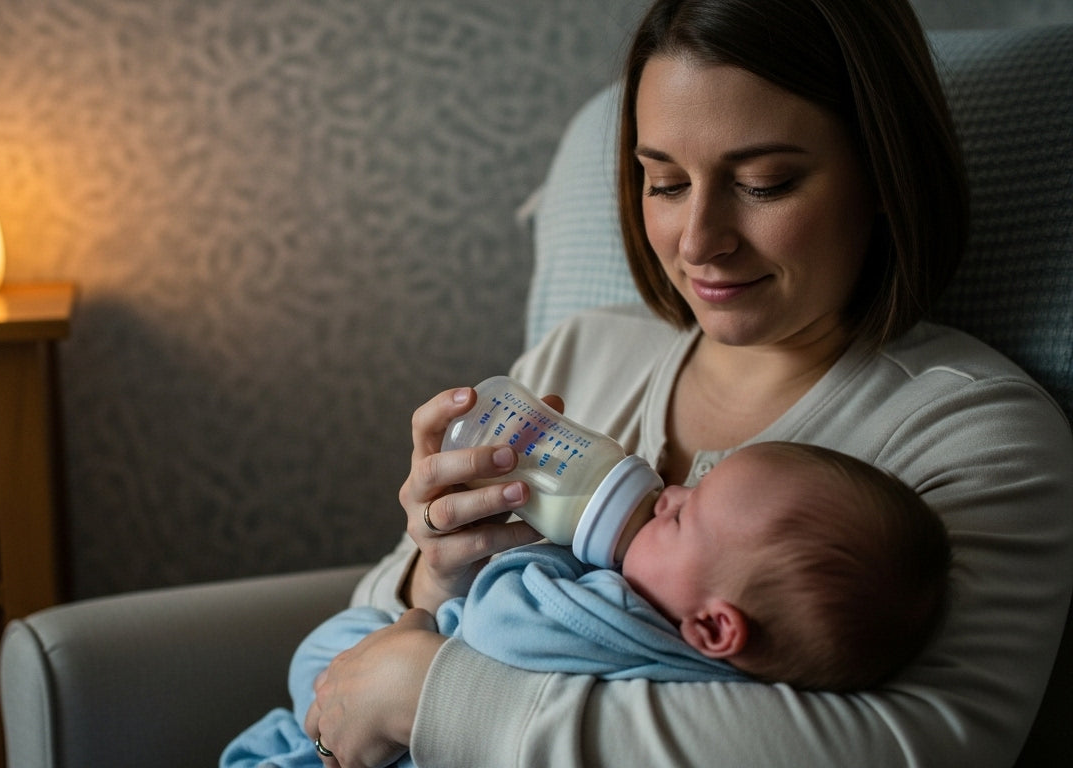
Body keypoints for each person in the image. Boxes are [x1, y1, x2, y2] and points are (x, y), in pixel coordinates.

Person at [302, 0, 1073, 766]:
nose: (700, 241)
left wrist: (432, 695)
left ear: (882, 171)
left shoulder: (974, 429)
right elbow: (345, 671)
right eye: (665, 183)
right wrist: (434, 569)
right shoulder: (582, 354)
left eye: (766, 183)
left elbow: (907, 748)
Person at [225, 442, 950, 768]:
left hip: (427, 725)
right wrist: (435, 567)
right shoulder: (710, 648)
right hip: (409, 685)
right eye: (663, 182)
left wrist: (557, 544)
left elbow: (498, 618)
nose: (668, 491)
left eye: (681, 517)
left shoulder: (607, 617)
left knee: (327, 653)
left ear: (714, 625)